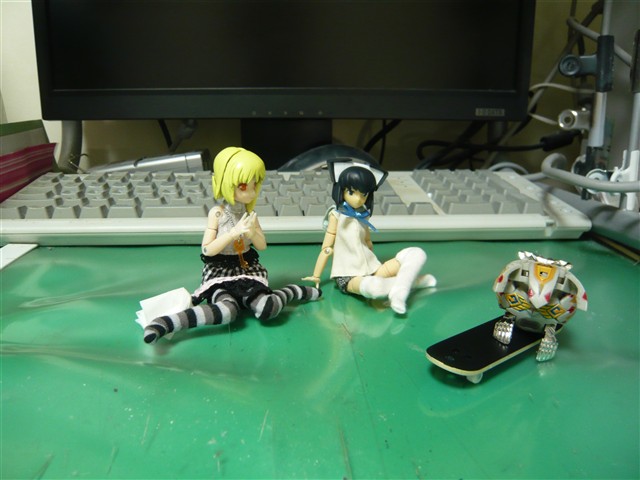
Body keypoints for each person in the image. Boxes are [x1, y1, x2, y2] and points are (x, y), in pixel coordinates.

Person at [142, 147, 321, 343]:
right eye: (243, 187)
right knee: (227, 311)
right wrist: (232, 234)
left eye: (255, 185)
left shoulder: (250, 215)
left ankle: (291, 291)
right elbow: (207, 249)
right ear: (226, 183)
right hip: (220, 272)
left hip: (247, 269)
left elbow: (262, 246)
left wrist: (252, 234)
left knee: (268, 308)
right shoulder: (217, 214)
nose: (251, 192)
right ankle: (165, 323)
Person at [303, 158, 435, 314]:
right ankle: (414, 282)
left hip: (372, 268)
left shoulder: (363, 216)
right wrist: (316, 275)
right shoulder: (336, 215)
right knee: (374, 287)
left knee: (416, 253)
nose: (358, 199)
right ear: (341, 190)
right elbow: (327, 248)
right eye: (351, 192)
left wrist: (373, 260)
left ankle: (401, 289)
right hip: (348, 276)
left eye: (364, 194)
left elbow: (367, 240)